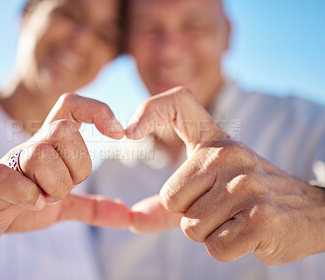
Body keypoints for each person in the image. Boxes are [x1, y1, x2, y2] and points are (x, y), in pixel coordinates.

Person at [84, 0, 325, 279]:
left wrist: (312, 211)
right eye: (148, 28)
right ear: (128, 44)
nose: (170, 50)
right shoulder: (105, 176)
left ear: (228, 33)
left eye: (194, 25)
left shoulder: (309, 125)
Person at [0, 0, 131, 279]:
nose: (82, 40)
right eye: (70, 13)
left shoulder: (90, 181)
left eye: (105, 36)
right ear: (27, 14)